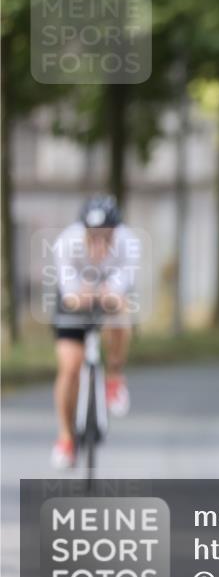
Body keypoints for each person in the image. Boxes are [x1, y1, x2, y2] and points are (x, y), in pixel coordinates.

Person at [50, 195, 139, 469]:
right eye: (94, 235)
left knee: (121, 316)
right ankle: (66, 437)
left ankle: (114, 376)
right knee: (69, 367)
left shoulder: (128, 244)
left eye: (107, 235)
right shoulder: (66, 243)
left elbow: (123, 285)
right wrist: (81, 295)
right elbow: (69, 294)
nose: (100, 241)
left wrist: (110, 295)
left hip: (107, 296)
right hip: (74, 302)